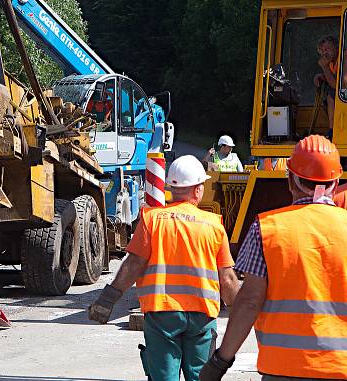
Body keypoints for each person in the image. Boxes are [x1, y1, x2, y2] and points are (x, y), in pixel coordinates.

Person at [201, 135, 347, 381]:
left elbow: (249, 301)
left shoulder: (267, 228)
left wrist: (220, 361)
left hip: (283, 369)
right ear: (335, 181)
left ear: (290, 179)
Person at [89, 155, 240, 381]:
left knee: (164, 377)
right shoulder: (213, 225)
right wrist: (241, 314)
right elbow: (227, 279)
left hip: (162, 314)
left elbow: (134, 264)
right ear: (198, 190)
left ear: (170, 188)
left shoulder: (152, 220)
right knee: (201, 377)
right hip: (202, 314)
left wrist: (108, 299)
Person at [314, 35, 338, 137]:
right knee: (327, 96)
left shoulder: (344, 58)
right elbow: (335, 78)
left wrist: (324, 67)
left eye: (328, 49)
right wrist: (322, 76)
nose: (325, 53)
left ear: (337, 48)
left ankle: (332, 130)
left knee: (332, 93)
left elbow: (336, 86)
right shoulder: (332, 63)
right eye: (323, 50)